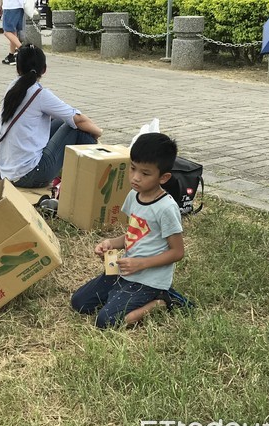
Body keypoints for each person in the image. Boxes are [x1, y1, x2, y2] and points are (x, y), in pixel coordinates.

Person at [70, 133, 185, 328]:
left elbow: (177, 252)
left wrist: (140, 264)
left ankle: (161, 301)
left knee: (106, 322)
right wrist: (110, 243)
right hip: (124, 272)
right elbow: (135, 234)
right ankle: (123, 295)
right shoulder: (134, 195)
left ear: (163, 177)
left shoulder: (166, 208)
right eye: (133, 168)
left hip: (148, 280)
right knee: (79, 303)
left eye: (145, 173)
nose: (136, 177)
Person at [0, 44, 102, 188]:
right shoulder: (40, 95)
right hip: (30, 174)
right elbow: (78, 119)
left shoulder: (13, 87)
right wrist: (98, 133)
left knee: (61, 121)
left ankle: (97, 172)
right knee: (75, 127)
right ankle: (102, 172)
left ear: (17, 68)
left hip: (8, 172)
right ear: (44, 69)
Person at [0, 0, 23, 64]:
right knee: (13, 32)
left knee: (7, 31)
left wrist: (0, 4)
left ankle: (22, 49)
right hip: (19, 6)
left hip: (10, 6)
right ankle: (11, 55)